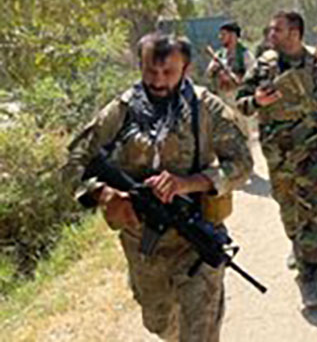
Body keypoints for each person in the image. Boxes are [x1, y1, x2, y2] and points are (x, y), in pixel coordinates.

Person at [63, 32, 253, 341]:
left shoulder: (206, 108)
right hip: (143, 248)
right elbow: (74, 161)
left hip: (195, 240)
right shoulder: (121, 110)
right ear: (140, 65)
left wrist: (187, 184)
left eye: (168, 72)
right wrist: (103, 194)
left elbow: (242, 164)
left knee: (200, 333)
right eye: (151, 70)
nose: (158, 80)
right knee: (159, 323)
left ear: (186, 69)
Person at [236, 11, 317, 311]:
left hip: (312, 150)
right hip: (278, 154)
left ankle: (308, 274)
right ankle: (297, 244)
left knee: (312, 212)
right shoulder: (263, 66)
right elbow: (241, 103)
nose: (270, 34)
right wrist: (256, 101)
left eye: (277, 29)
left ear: (295, 33)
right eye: (270, 29)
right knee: (288, 208)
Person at [205, 21, 255, 106]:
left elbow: (252, 75)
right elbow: (208, 75)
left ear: (233, 35)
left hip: (239, 100)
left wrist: (238, 79)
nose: (220, 37)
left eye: (223, 34)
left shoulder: (245, 55)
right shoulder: (219, 55)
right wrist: (214, 69)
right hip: (222, 99)